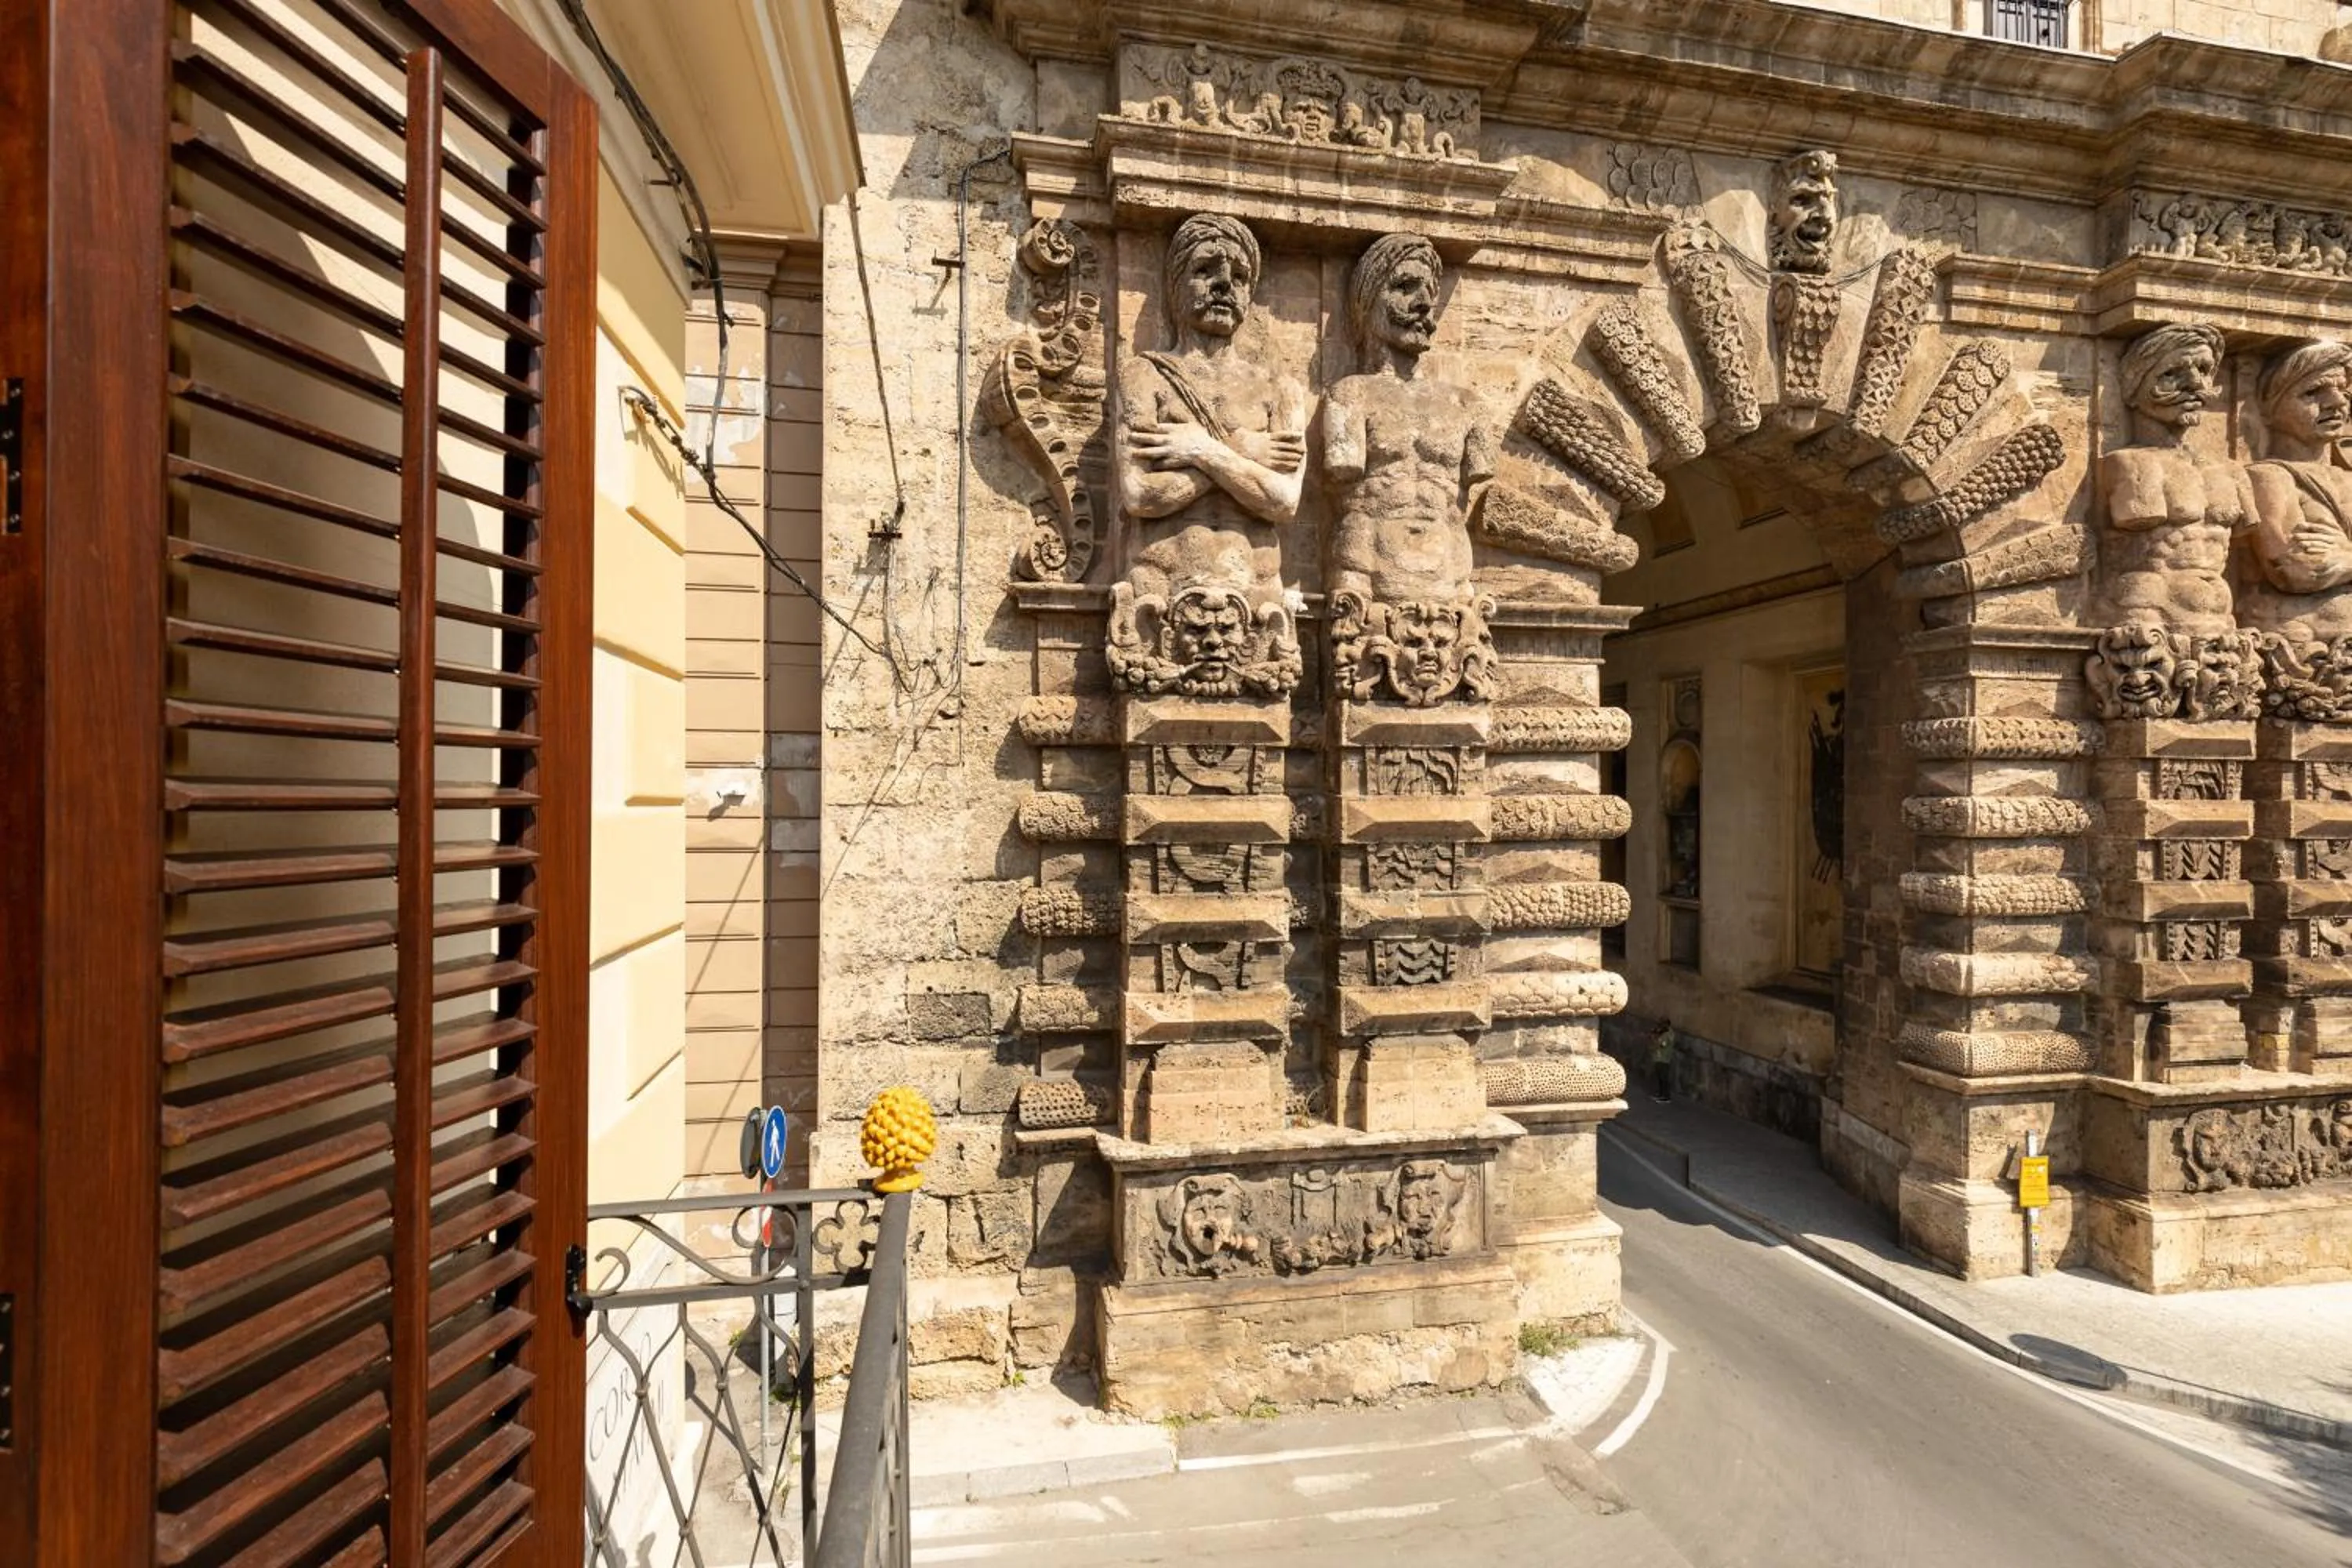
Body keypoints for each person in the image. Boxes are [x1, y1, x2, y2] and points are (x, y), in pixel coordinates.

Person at [1647, 1018, 1677, 1104]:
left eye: (1662, 1024)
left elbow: (1662, 1045)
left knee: (1664, 1078)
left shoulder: (1668, 1035)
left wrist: (1654, 1038)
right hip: (1659, 1058)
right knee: (1660, 1078)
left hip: (1664, 1059)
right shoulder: (1664, 1032)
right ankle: (1661, 1094)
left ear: (1667, 1025)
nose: (1660, 1026)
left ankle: (1666, 1097)